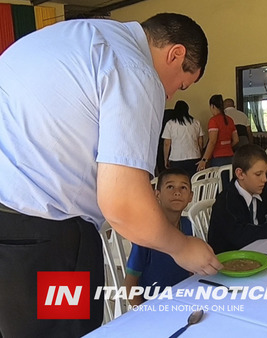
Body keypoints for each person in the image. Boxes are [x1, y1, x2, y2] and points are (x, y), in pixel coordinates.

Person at [0, 13, 222, 337]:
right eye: (180, 84)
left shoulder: (74, 35)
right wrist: (182, 247)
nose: (172, 95)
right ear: (175, 55)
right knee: (63, 330)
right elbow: (123, 205)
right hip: (48, 241)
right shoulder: (135, 68)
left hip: (14, 226)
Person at [207, 144, 267, 254]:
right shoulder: (226, 202)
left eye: (266, 173)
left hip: (256, 248)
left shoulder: (258, 191)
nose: (264, 179)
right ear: (240, 174)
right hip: (230, 259)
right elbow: (242, 236)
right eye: (258, 174)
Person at [124, 168, 194, 306]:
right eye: (170, 187)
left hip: (182, 299)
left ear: (191, 196)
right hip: (153, 305)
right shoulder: (147, 235)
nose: (177, 192)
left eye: (183, 187)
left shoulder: (188, 225)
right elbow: (130, 284)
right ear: (157, 194)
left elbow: (190, 270)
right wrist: (143, 314)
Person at [162, 100, 205, 177]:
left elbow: (167, 143)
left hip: (176, 159)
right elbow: (200, 141)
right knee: (194, 182)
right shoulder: (196, 122)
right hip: (194, 157)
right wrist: (201, 154)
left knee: (178, 182)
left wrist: (166, 159)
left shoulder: (170, 124)